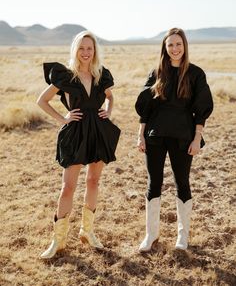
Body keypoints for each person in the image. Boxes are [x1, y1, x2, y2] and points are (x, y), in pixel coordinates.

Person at [37, 30, 120, 259]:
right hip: (75, 133)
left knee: (93, 181)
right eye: (82, 48)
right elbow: (42, 101)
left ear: (94, 51)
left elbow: (110, 96)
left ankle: (87, 231)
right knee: (68, 188)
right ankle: (58, 240)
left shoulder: (101, 75)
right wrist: (63, 119)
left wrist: (108, 111)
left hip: (98, 132)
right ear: (76, 50)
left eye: (90, 48)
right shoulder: (65, 76)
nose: (86, 52)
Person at [135, 28, 213, 252]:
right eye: (170, 45)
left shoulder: (196, 74)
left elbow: (201, 110)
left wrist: (197, 138)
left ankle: (182, 236)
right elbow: (146, 109)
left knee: (182, 183)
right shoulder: (157, 72)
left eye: (178, 44)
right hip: (155, 136)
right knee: (154, 183)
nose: (175, 48)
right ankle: (151, 235)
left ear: (185, 46)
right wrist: (140, 135)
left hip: (183, 136)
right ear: (165, 47)